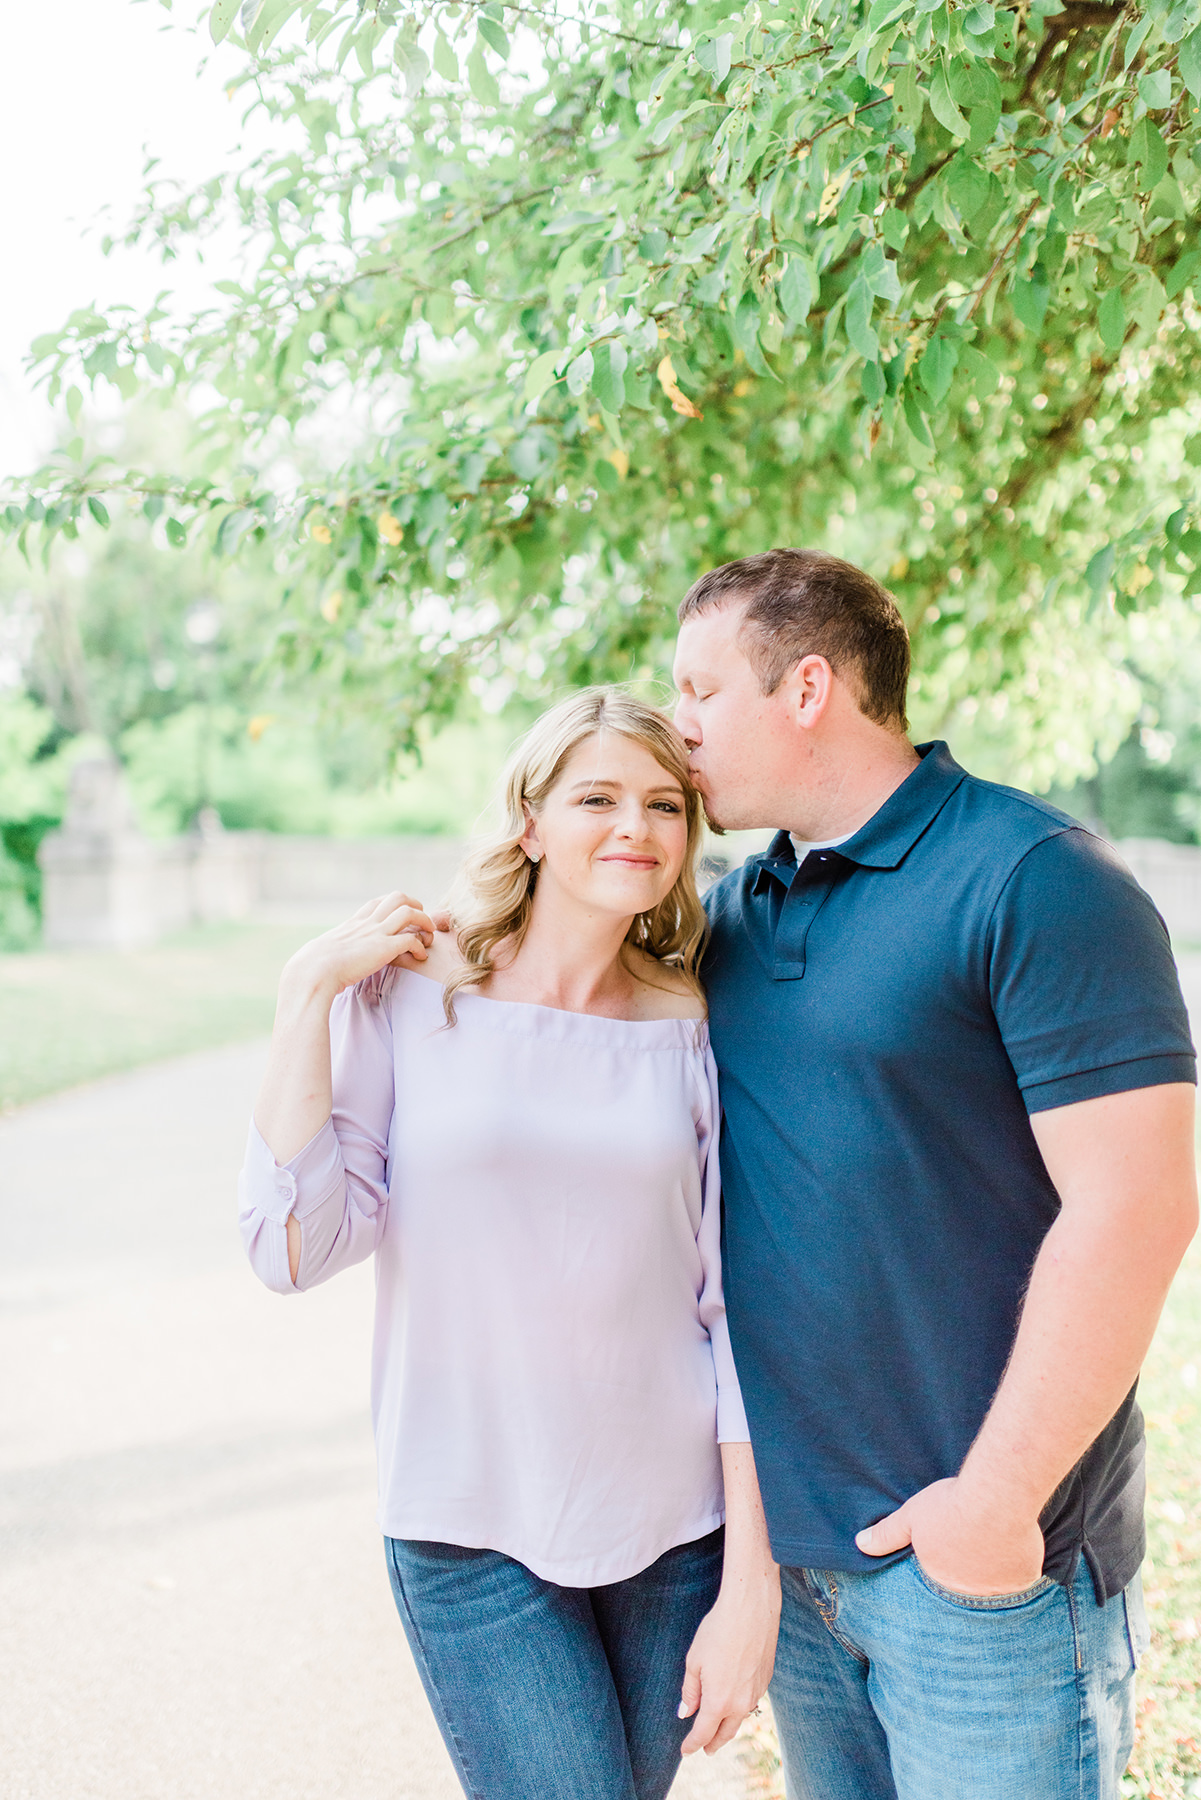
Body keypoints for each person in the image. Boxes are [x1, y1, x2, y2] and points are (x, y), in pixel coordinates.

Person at [671, 547, 1199, 1800]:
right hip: (798, 1573)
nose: (675, 727)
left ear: (806, 689)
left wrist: (992, 1501)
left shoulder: (1036, 878)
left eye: (698, 692)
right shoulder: (738, 911)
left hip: (978, 1573)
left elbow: (1139, 1203)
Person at [237, 688, 780, 1800]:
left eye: (664, 804)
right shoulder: (410, 993)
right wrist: (305, 997)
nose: (635, 827)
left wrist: (749, 1585)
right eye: (597, 798)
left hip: (672, 1529)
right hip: (467, 1514)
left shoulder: (690, 1018)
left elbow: (727, 1307)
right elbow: (293, 1250)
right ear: (529, 820)